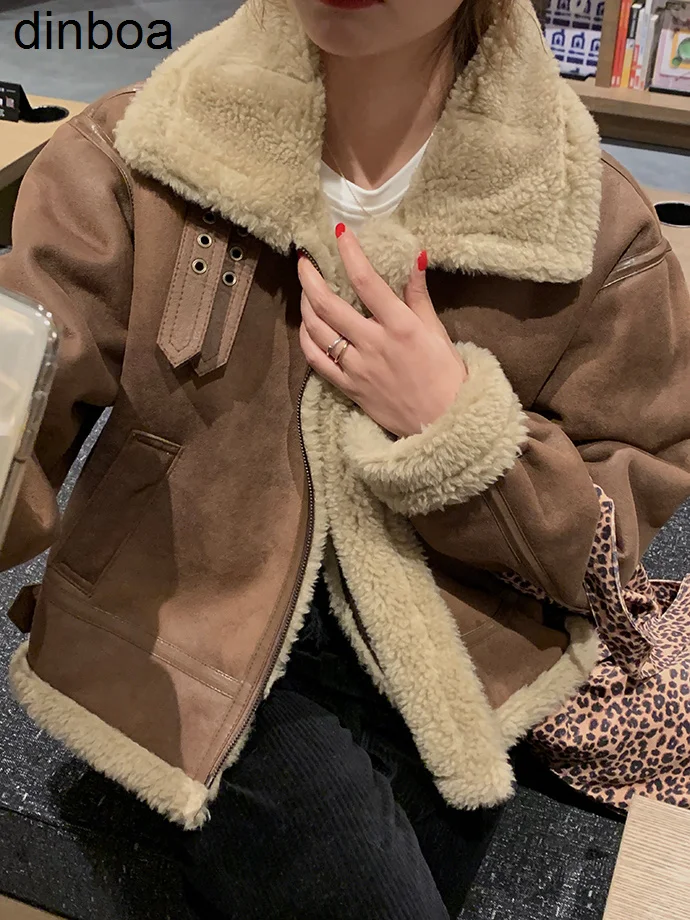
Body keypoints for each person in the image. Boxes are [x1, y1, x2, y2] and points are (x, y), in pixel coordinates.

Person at [1, 0, 689, 916]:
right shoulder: (138, 154)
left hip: (448, 659)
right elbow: (27, 385)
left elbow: (612, 527)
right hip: (186, 630)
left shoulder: (591, 222)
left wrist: (455, 427)